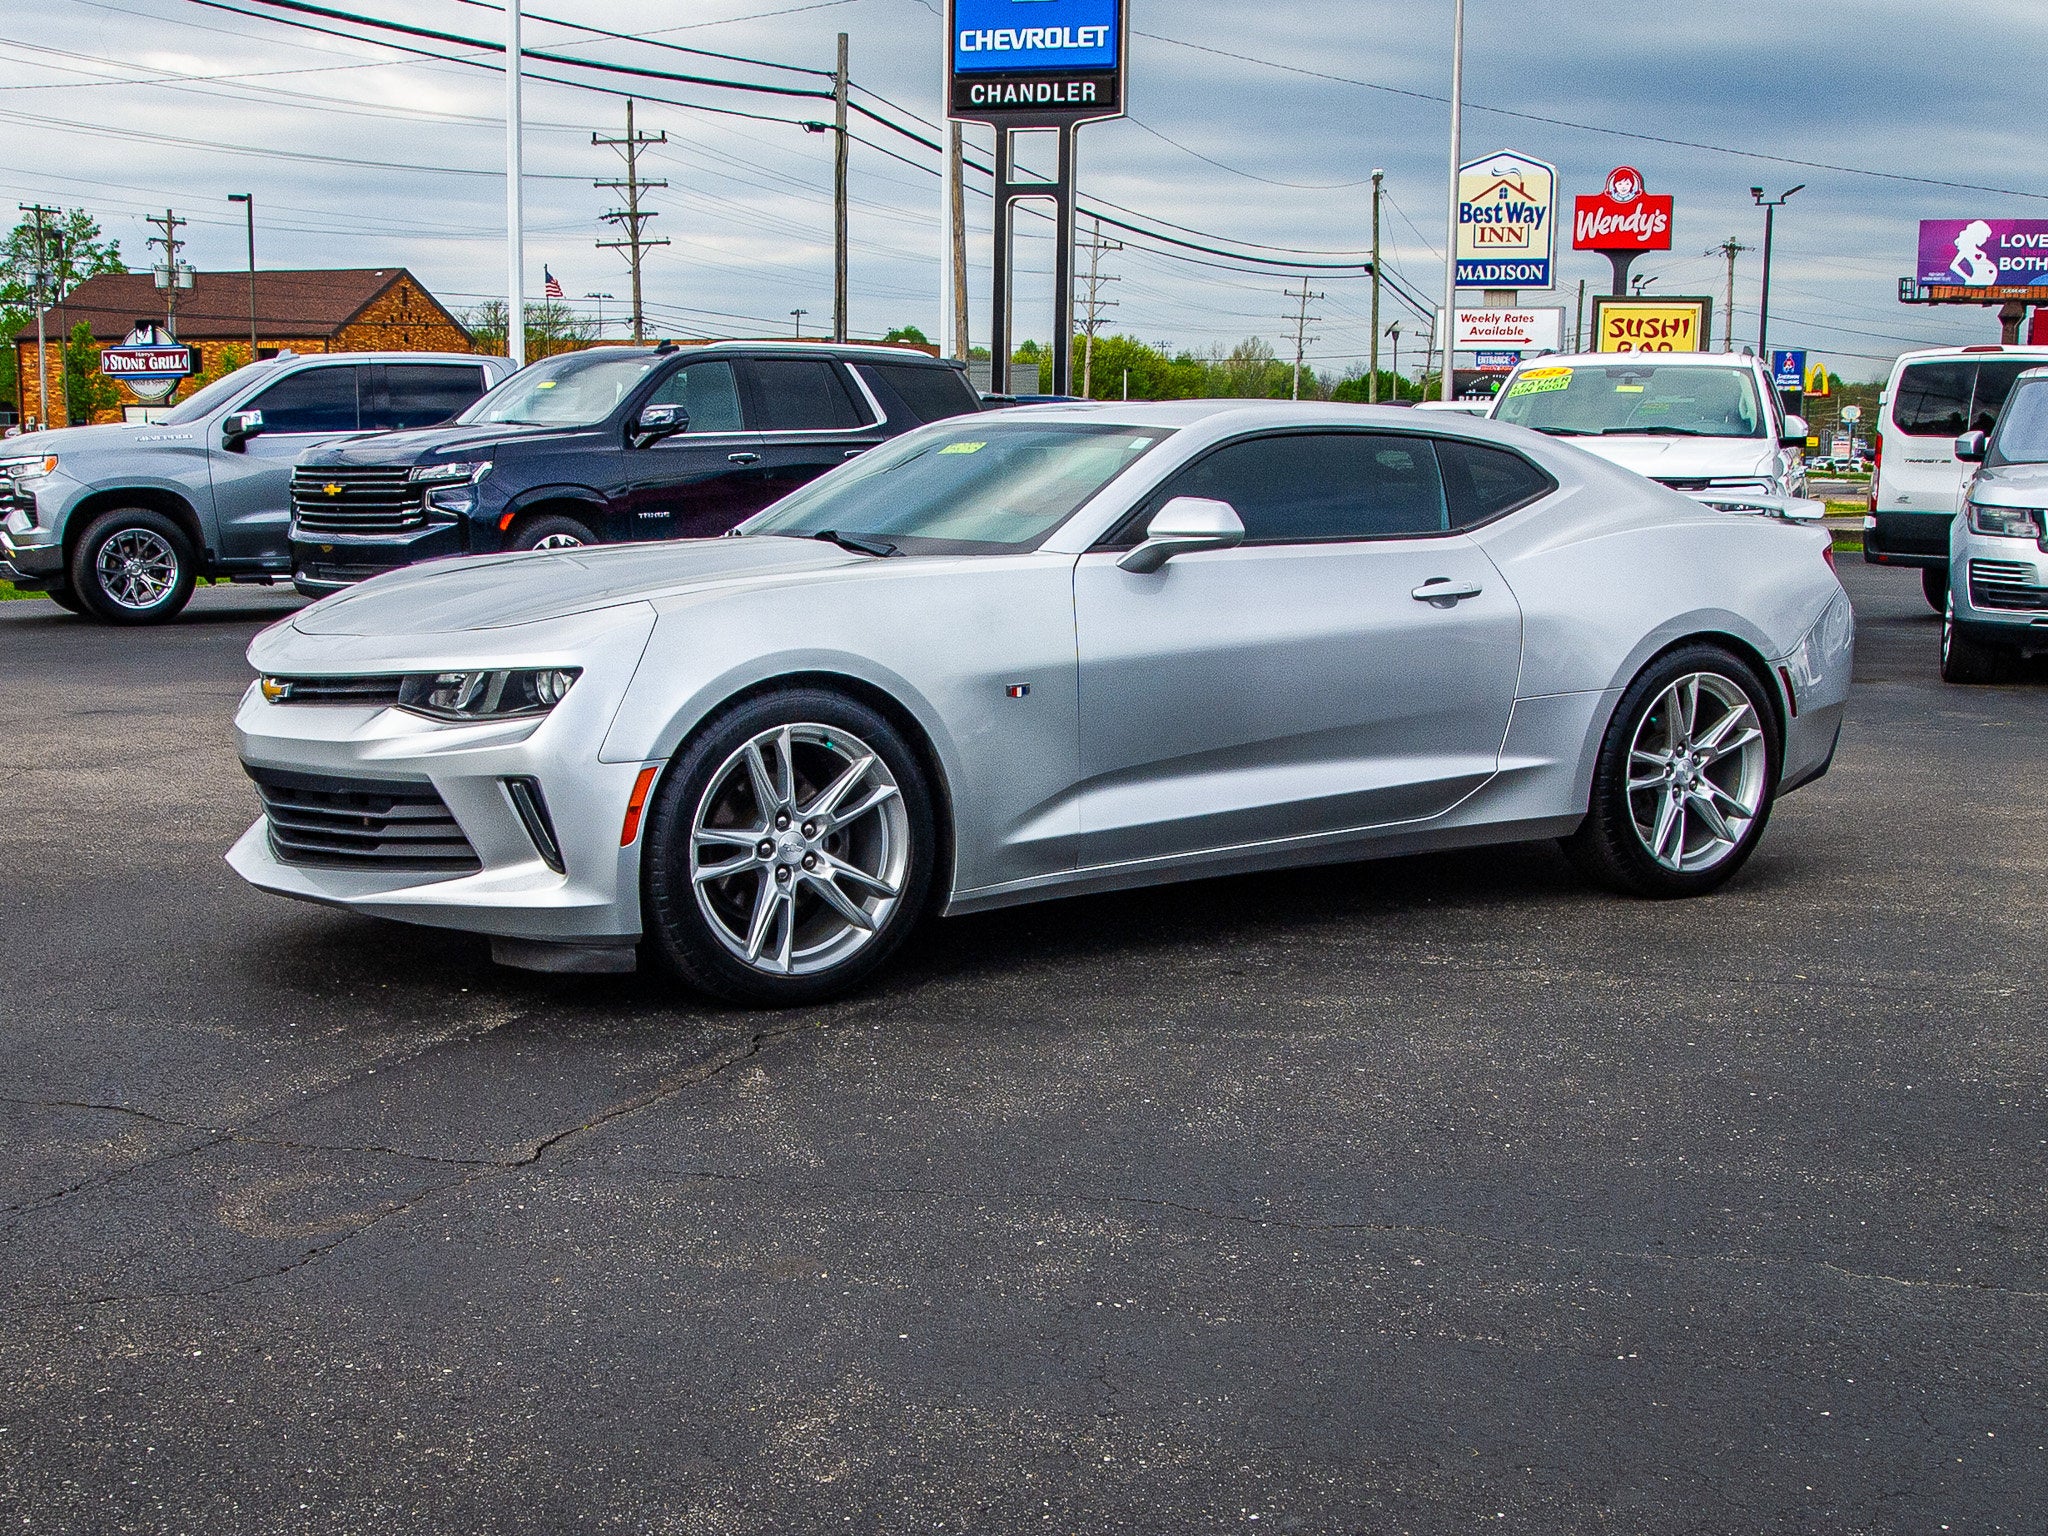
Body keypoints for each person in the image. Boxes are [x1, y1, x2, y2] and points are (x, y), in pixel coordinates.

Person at [1951, 220, 1998, 287]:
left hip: (1985, 283)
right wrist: (1968, 278)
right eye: (1985, 237)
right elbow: (1953, 265)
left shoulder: (1973, 248)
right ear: (1978, 235)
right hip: (1975, 281)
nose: (1985, 240)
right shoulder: (1966, 249)